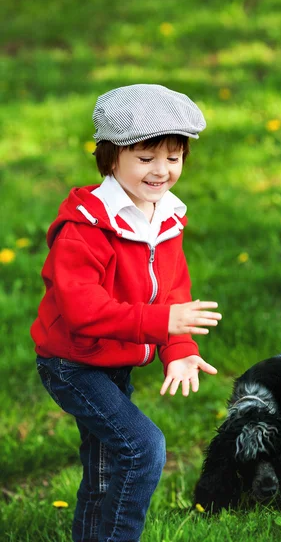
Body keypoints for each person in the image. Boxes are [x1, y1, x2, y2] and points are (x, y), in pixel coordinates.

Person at [31, 84, 222, 542]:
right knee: (142, 447)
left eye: (174, 158)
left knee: (103, 473)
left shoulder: (165, 216)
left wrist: (178, 347)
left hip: (114, 359)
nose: (162, 171)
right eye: (146, 158)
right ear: (110, 157)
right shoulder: (86, 227)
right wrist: (161, 326)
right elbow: (83, 311)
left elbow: (174, 289)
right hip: (73, 361)